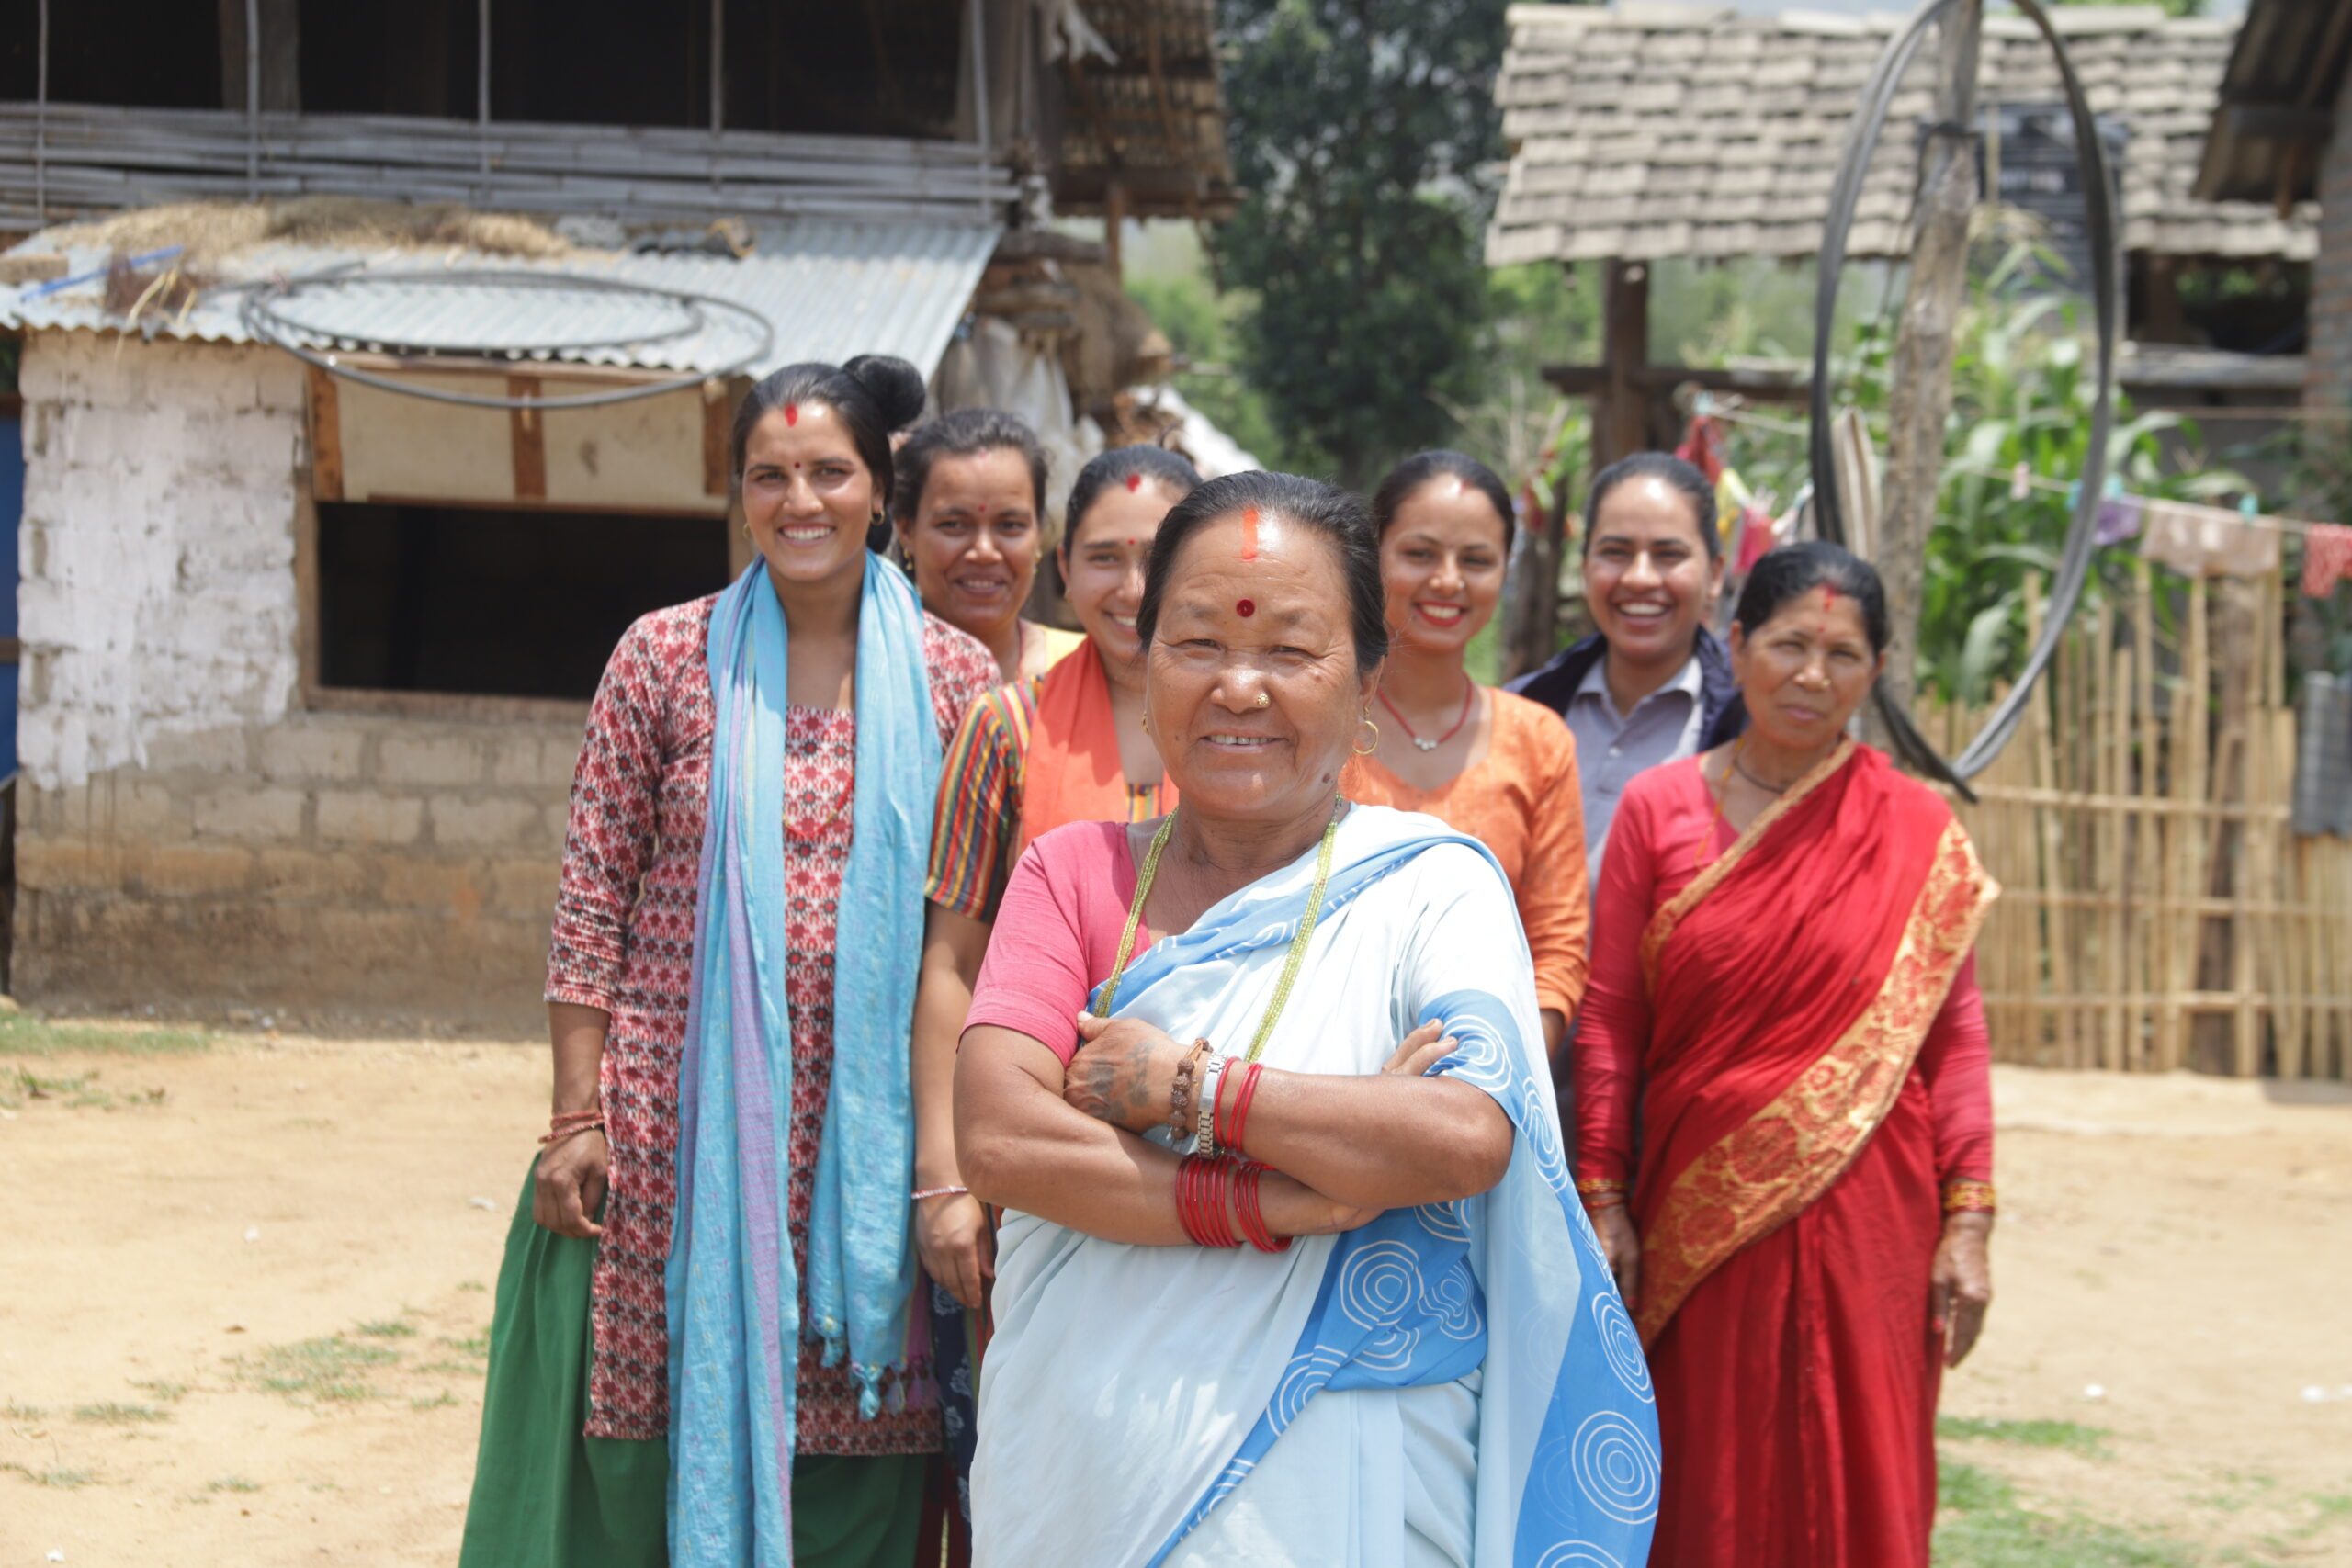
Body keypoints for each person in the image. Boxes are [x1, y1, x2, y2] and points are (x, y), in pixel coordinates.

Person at [953, 471, 1659, 1567]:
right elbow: (1002, 1138)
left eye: (1290, 652)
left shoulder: (1437, 888)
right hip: (1088, 1457)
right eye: (1195, 644)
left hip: (1350, 1481)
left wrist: (1182, 1090)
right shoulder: (1071, 874)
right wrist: (1283, 1189)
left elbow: (1465, 1135)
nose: (1239, 687)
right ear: (1147, 668)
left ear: (1366, 684)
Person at [458, 355, 1001, 1568]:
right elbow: (592, 894)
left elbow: (969, 932)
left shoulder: (959, 681)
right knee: (644, 1415)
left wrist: (945, 1159)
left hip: (869, 1156)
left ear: (880, 490)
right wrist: (572, 1114)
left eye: (829, 471)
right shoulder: (663, 658)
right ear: (739, 494)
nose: (799, 499)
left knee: (860, 1434)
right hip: (672, 1138)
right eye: (770, 475)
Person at [1575, 542, 1997, 1568]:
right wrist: (1603, 1195)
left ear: (1878, 669)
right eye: (1789, 644)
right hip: (1696, 1214)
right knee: (1708, 1476)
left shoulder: (1913, 825)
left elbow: (1955, 1036)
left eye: (1843, 655)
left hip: (1874, 1216)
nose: (1813, 677)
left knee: (1865, 1460)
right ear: (1737, 645)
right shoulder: (1660, 810)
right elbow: (1610, 1020)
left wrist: (1970, 1221)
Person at [910, 445, 1200, 1302]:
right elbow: (952, 965)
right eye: (1106, 557)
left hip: (1217, 1146)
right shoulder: (1006, 726)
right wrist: (945, 1177)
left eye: (1162, 557)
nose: (1134, 589)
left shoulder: (1247, 731)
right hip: (1038, 1161)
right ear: (1064, 568)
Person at [1342, 450, 1589, 1055]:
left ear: (1505, 570)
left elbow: (1557, 948)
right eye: (1420, 554)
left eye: (1476, 560)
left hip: (1486, 1089)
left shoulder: (1538, 741)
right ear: (1373, 557)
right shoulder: (1316, 722)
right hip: (1308, 1084)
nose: (1448, 580)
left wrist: (1495, 1074)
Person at [1508, 453, 1743, 888]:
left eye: (1668, 554)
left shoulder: (1746, 727)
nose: (1639, 577)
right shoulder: (1523, 711)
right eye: (1615, 552)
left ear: (1714, 574)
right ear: (1585, 567)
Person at [891, 407, 1084, 684]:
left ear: (1038, 534)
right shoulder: (866, 670)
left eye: (1010, 525)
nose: (983, 551)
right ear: (907, 529)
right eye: (954, 525)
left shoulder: (1084, 670)